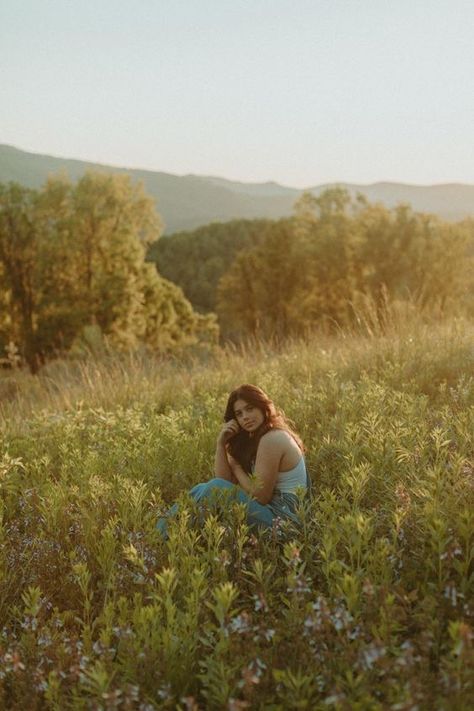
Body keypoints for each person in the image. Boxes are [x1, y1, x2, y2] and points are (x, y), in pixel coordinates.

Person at [156, 384, 309, 539]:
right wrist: (221, 444)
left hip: (284, 522)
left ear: (263, 407)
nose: (245, 417)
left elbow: (261, 497)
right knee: (202, 488)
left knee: (213, 488)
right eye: (239, 413)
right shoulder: (257, 438)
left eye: (250, 409)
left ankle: (162, 537)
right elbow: (223, 481)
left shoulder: (273, 438)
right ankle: (161, 534)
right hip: (271, 514)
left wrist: (236, 468)